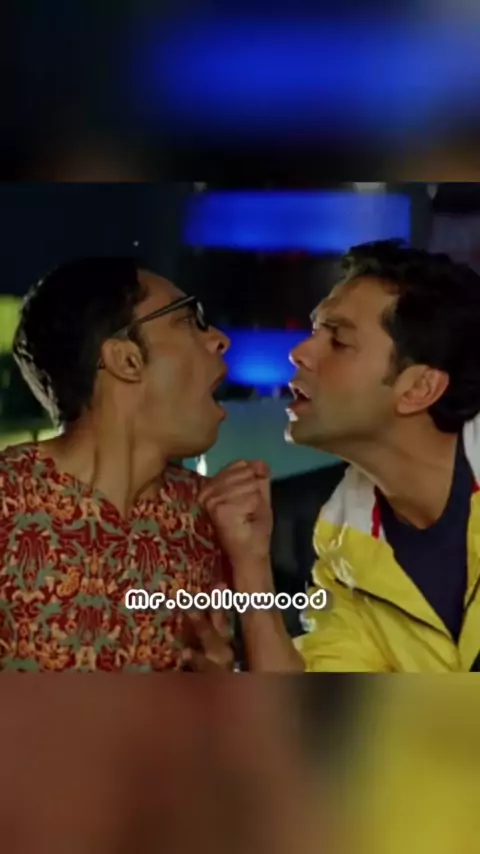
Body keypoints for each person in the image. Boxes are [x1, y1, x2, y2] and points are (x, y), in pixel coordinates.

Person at [198, 239, 480, 672]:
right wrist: (251, 567)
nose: (299, 353)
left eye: (339, 341)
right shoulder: (344, 547)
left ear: (419, 388)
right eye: (316, 332)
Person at [0, 257, 234, 671]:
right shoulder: (8, 497)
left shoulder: (212, 517)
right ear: (126, 359)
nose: (220, 340)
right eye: (188, 320)